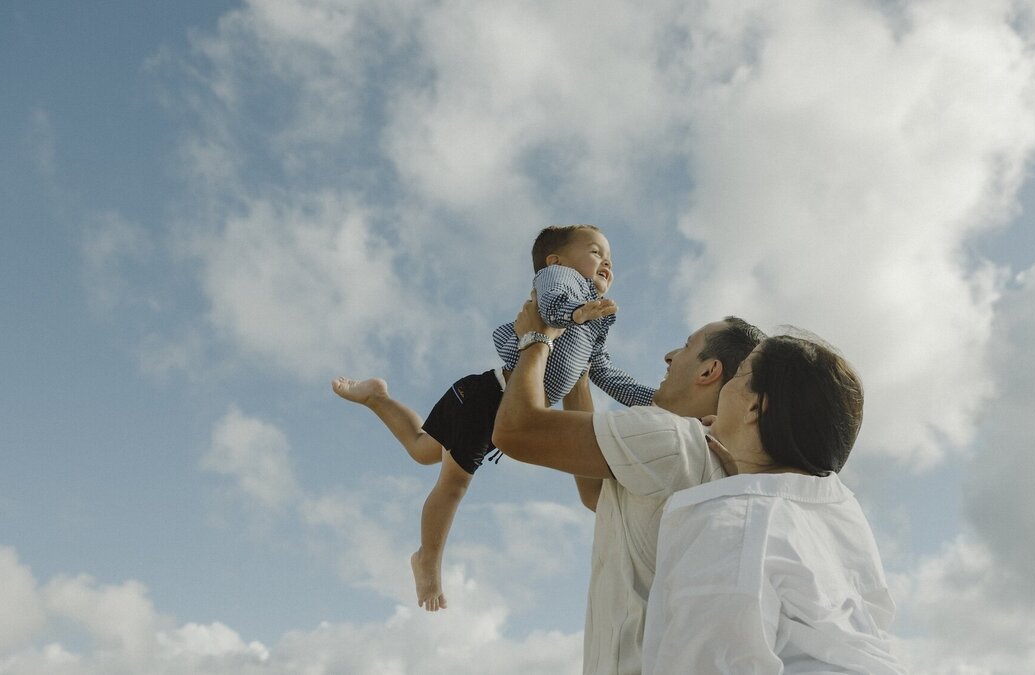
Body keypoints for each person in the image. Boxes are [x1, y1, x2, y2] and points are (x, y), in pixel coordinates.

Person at [332, 225, 654, 612]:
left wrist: (658, 403)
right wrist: (577, 312)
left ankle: (377, 397)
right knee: (452, 485)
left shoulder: (596, 320)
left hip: (488, 397)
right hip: (489, 398)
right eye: (595, 252)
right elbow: (550, 308)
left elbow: (605, 373)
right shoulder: (561, 280)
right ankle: (427, 561)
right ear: (557, 260)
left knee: (422, 450)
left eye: (610, 260)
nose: (606, 262)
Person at [492, 299, 765, 675]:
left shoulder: (672, 438)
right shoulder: (707, 456)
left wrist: (537, 339)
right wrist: (578, 365)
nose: (669, 356)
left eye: (685, 346)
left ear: (709, 370)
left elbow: (514, 430)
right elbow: (594, 494)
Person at [642, 333, 906, 674]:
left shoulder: (731, 523)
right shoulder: (840, 510)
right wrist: (746, 471)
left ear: (755, 406)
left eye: (739, 375)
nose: (725, 387)